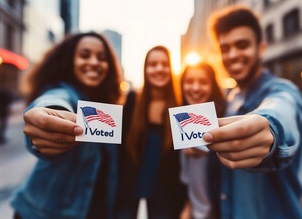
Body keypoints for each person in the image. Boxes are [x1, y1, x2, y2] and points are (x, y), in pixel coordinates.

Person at [202, 6, 302, 218]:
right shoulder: (231, 97)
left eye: (242, 45)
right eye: (225, 48)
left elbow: (282, 108)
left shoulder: (282, 89)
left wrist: (271, 127)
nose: (232, 55)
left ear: (261, 48)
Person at [11, 32, 122, 219]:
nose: (94, 62)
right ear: (70, 61)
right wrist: (49, 115)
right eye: (84, 55)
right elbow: (53, 101)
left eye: (101, 58)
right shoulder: (62, 93)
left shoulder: (108, 108)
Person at [116, 46, 187, 218]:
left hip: (166, 195)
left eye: (164, 64)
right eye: (153, 64)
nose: (159, 69)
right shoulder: (133, 100)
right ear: (145, 69)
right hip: (129, 189)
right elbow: (119, 144)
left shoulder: (181, 106)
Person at [179, 62, 226, 219]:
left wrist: (209, 152)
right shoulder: (179, 122)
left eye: (203, 82)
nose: (195, 87)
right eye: (189, 81)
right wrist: (188, 207)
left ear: (212, 85)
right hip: (194, 211)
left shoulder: (225, 120)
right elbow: (186, 177)